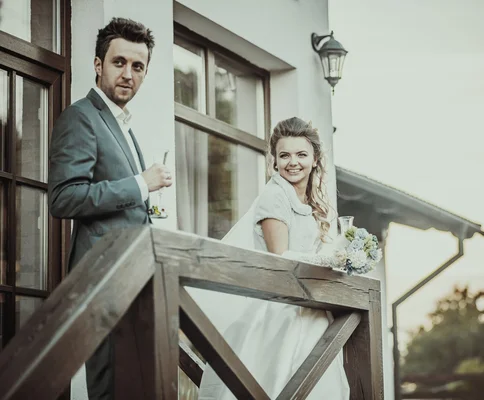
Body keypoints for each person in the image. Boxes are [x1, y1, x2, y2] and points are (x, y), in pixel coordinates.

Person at [48, 17, 172, 400]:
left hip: (134, 278)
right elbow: (64, 197)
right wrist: (141, 184)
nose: (128, 74)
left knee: (136, 388)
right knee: (112, 388)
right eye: (119, 62)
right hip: (101, 279)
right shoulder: (80, 117)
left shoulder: (124, 127)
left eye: (138, 66)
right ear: (98, 64)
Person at [191, 117, 350, 399]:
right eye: (284, 155)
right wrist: (330, 260)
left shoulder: (311, 202)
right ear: (274, 161)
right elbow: (281, 259)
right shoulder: (274, 196)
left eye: (301, 154)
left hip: (313, 307)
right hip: (284, 310)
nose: (293, 162)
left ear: (315, 159)